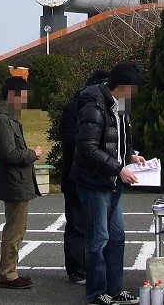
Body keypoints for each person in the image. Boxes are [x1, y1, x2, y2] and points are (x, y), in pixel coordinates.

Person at [71, 62, 146, 305]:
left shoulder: (120, 105)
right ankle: (96, 293)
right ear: (121, 87)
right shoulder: (94, 105)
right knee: (98, 239)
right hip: (94, 182)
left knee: (117, 235)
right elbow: (87, 148)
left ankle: (115, 289)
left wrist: (131, 155)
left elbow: (122, 137)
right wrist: (118, 167)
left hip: (113, 181)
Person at [0, 76, 42, 290]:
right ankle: (7, 273)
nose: (25, 102)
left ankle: (10, 271)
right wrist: (32, 154)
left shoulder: (8, 117)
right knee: (14, 230)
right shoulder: (2, 120)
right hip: (13, 181)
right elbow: (9, 153)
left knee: (17, 228)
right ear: (12, 95)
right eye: (23, 97)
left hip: (17, 180)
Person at [59, 69, 109, 285]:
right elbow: (70, 140)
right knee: (77, 223)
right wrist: (94, 145)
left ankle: (96, 267)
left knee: (100, 226)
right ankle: (77, 268)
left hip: (102, 176)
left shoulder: (112, 109)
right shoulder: (73, 109)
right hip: (75, 174)